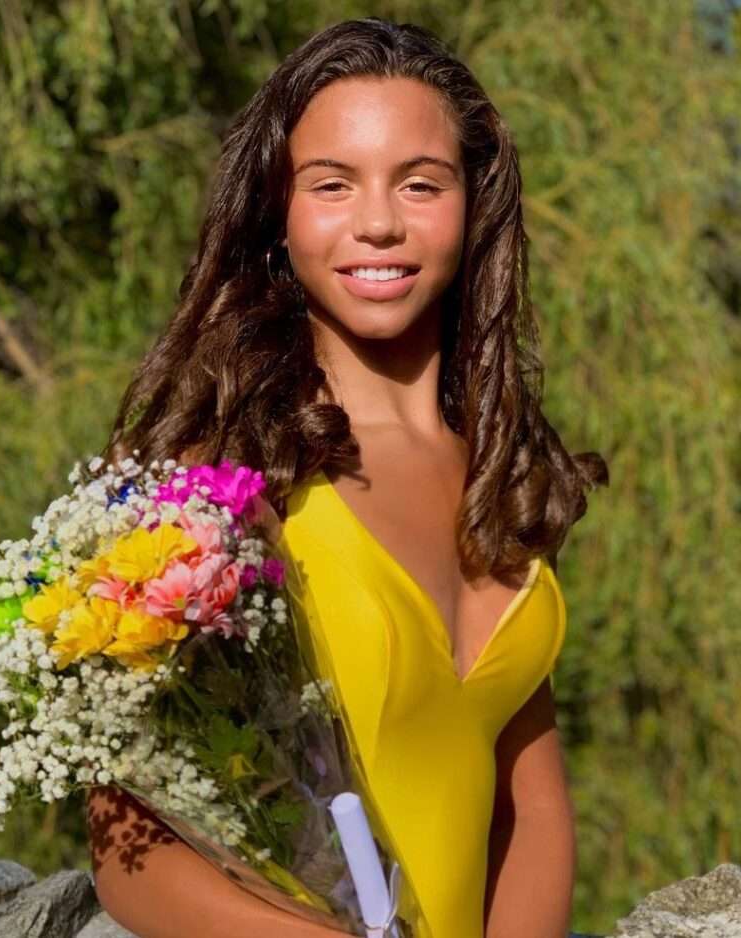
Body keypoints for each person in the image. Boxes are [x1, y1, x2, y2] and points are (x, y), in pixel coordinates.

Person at [87, 16, 608, 938]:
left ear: (473, 203)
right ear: (277, 217)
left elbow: (528, 814)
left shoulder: (502, 469)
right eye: (332, 184)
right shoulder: (224, 473)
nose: (378, 221)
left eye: (420, 183)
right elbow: (126, 840)